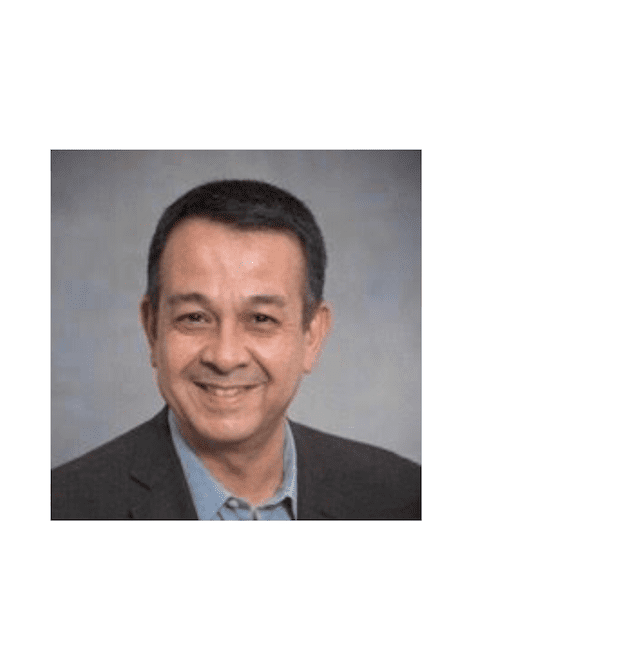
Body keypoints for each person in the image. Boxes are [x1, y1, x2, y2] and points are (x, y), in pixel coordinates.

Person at [52, 179, 420, 519]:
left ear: (312, 336)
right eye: (195, 317)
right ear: (152, 329)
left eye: (260, 319)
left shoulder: (403, 496)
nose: (225, 357)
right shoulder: (63, 507)